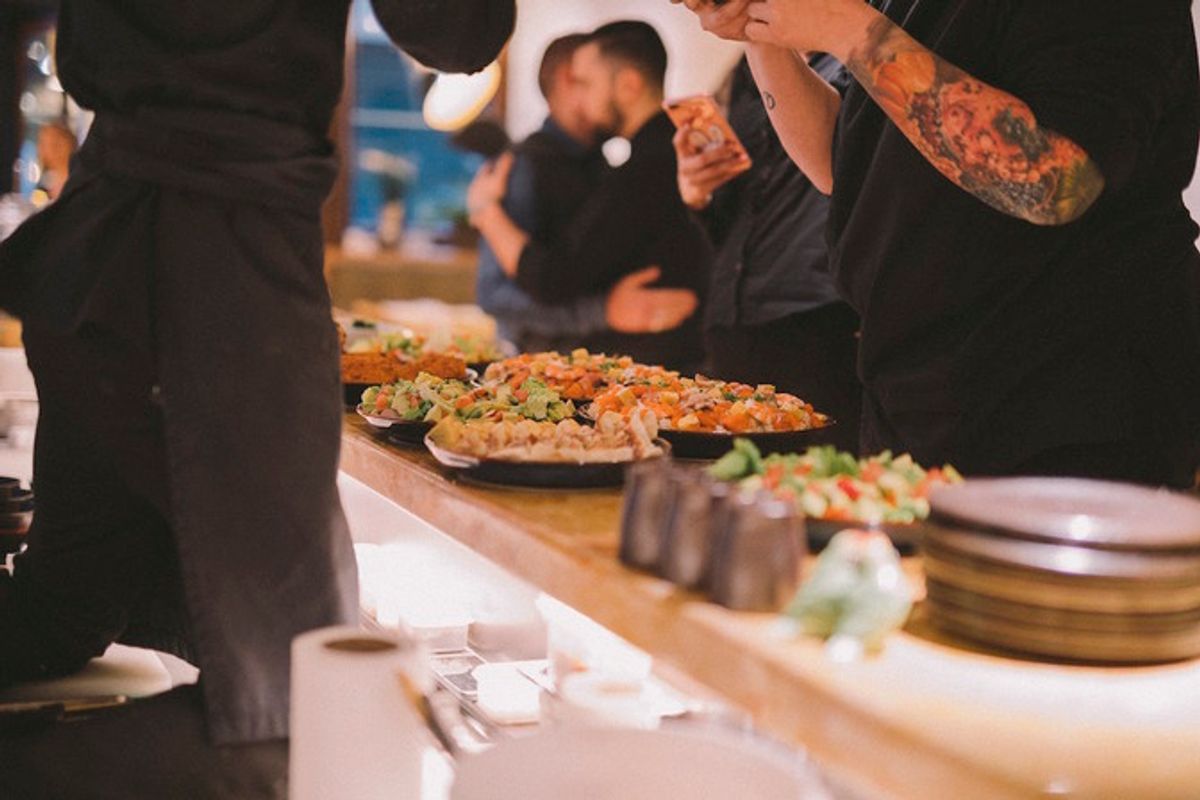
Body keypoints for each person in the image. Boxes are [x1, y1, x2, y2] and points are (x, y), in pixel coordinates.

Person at [0, 1, 514, 797]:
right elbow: (461, 29)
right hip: (220, 252)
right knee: (307, 714)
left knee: (64, 606)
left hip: (100, 244)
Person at [676, 0, 1200, 488]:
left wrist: (847, 27)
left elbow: (1054, 180)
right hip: (915, 393)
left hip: (1067, 400)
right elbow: (839, 167)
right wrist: (759, 28)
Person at [469, 20, 713, 372]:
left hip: (658, 368)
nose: (584, 94)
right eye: (577, 81)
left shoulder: (643, 164)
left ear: (628, 84)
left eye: (587, 81)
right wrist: (604, 311)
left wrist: (486, 212)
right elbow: (497, 293)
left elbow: (556, 276)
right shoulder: (526, 164)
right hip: (558, 364)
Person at [675, 55, 861, 452]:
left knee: (811, 484)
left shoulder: (850, 56)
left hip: (817, 321)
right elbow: (733, 220)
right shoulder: (745, 72)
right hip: (732, 321)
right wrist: (698, 194)